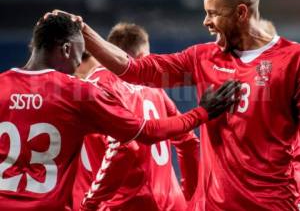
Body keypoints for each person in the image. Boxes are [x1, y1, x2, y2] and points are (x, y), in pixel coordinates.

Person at [55, 0, 300, 211]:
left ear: (241, 13)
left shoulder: (293, 61)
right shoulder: (202, 57)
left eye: (213, 14)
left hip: (272, 204)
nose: (206, 22)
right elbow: (134, 70)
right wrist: (83, 31)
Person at [0, 13, 238, 211]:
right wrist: (201, 113)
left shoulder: (3, 85)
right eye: (79, 56)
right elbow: (145, 133)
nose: (77, 67)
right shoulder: (79, 93)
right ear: (66, 49)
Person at [72, 23, 200, 211]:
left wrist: (90, 203)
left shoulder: (94, 86)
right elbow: (189, 142)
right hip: (173, 204)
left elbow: (123, 148)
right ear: (142, 56)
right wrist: (189, 197)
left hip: (126, 205)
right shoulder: (154, 88)